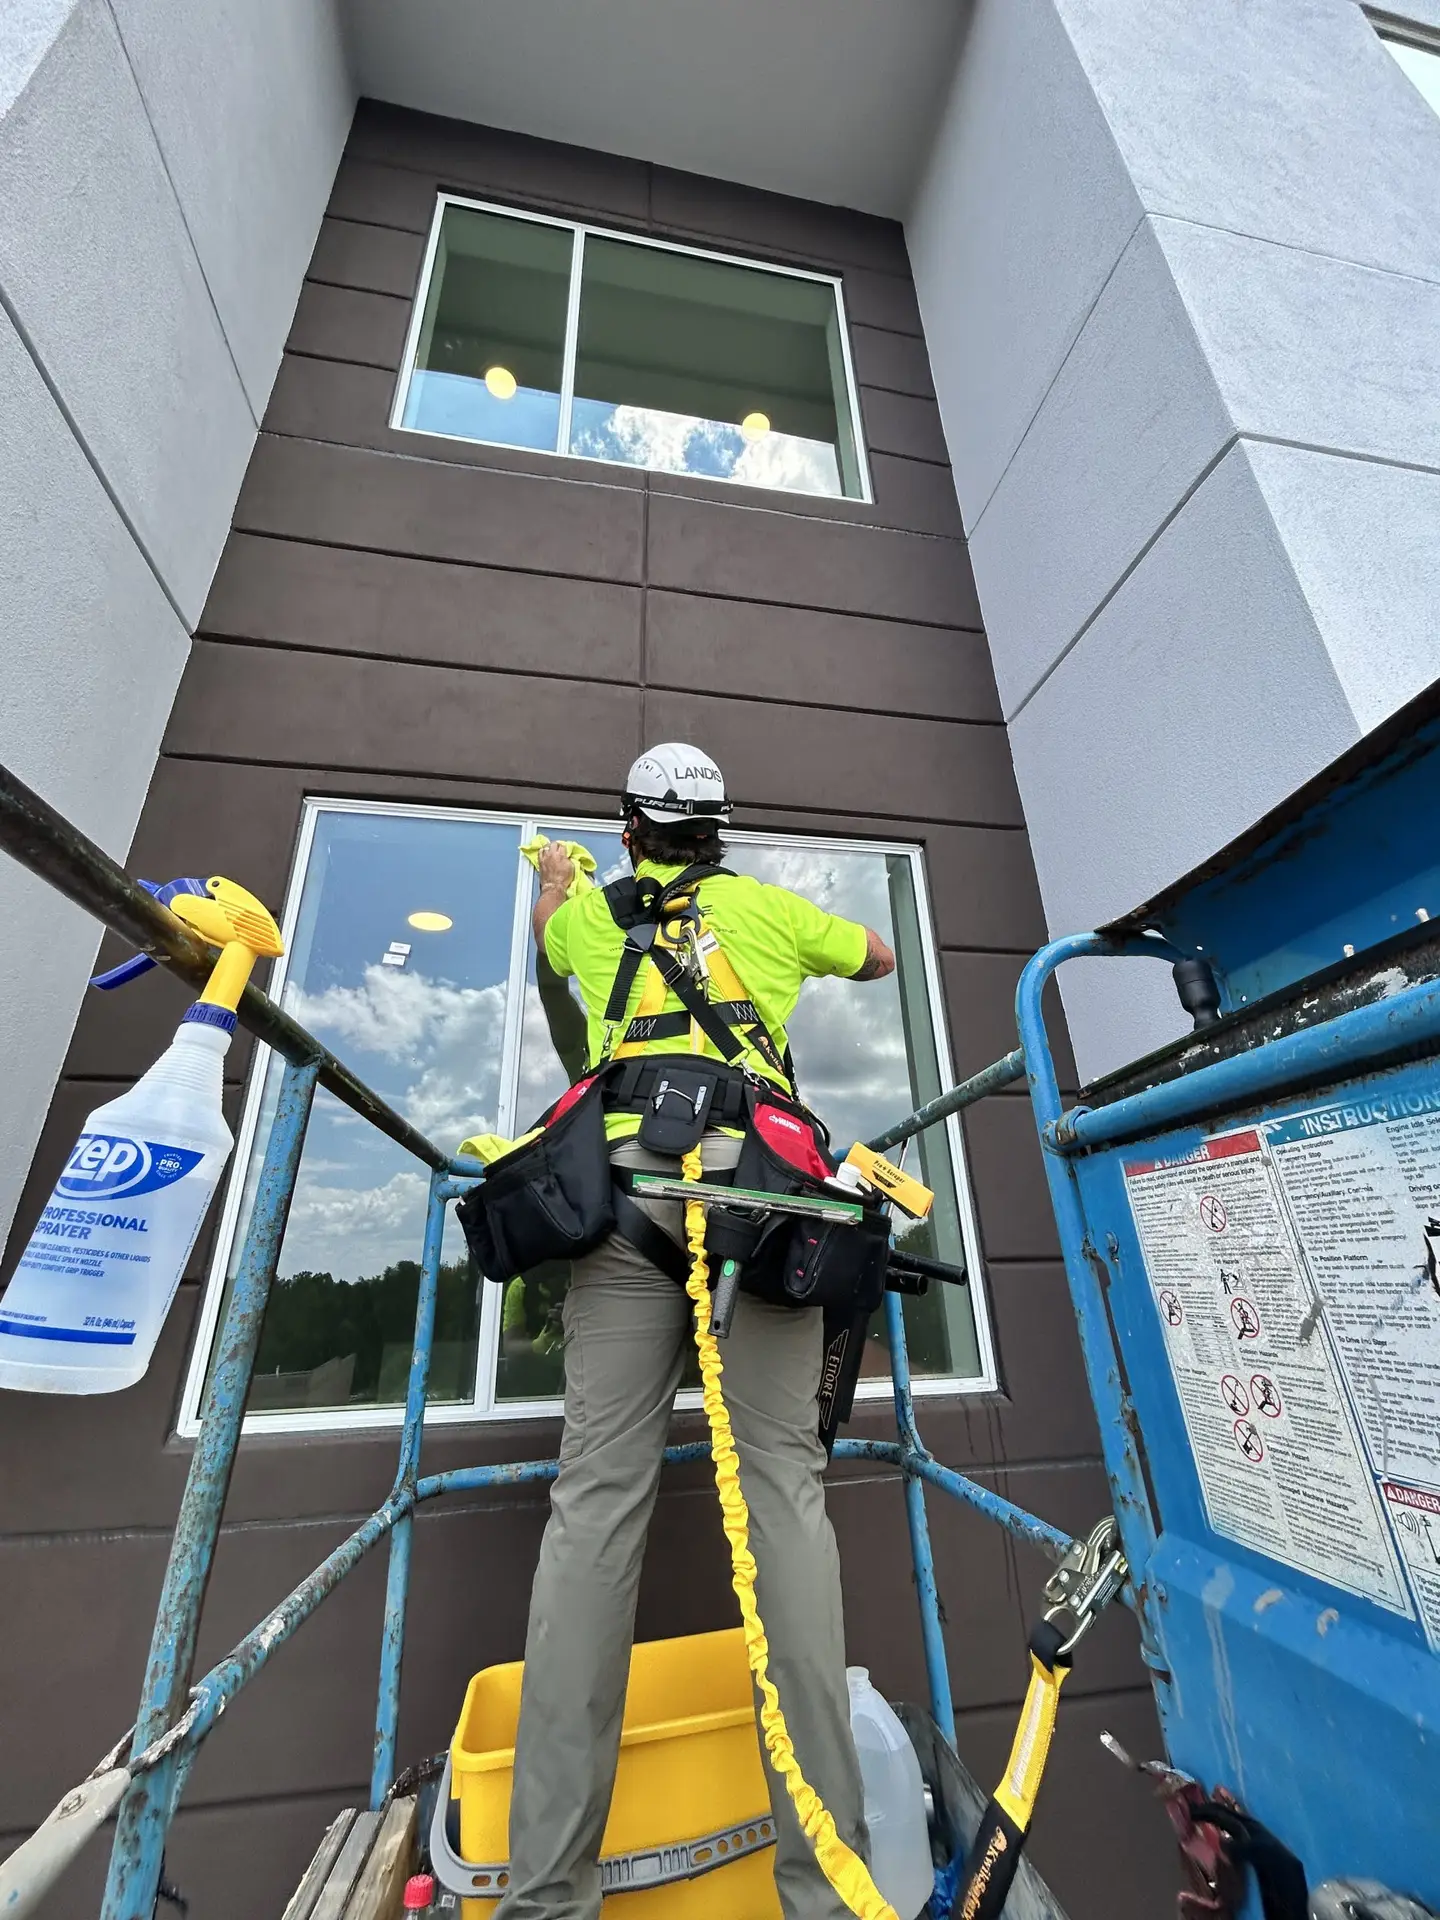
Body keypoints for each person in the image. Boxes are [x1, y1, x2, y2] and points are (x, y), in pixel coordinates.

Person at [498, 743, 896, 1920]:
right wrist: (811, 938)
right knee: (784, 1497)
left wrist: (558, 888)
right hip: (761, 1215)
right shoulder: (767, 911)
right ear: (718, 834)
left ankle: (546, 1898)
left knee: (593, 1509)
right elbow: (877, 956)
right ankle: (827, 1889)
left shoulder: (587, 921)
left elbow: (552, 952)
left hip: (622, 1208)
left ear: (629, 832)